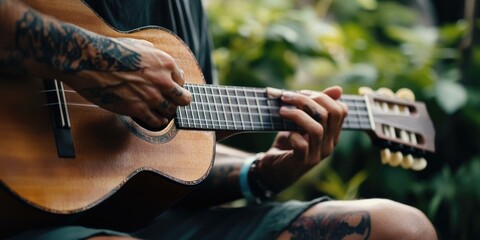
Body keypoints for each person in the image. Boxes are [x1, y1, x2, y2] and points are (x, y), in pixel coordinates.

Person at [0, 0, 438, 239]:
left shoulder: (185, 11)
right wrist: (99, 62)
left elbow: (166, 148)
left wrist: (259, 173)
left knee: (402, 230)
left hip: (143, 221)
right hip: (22, 214)